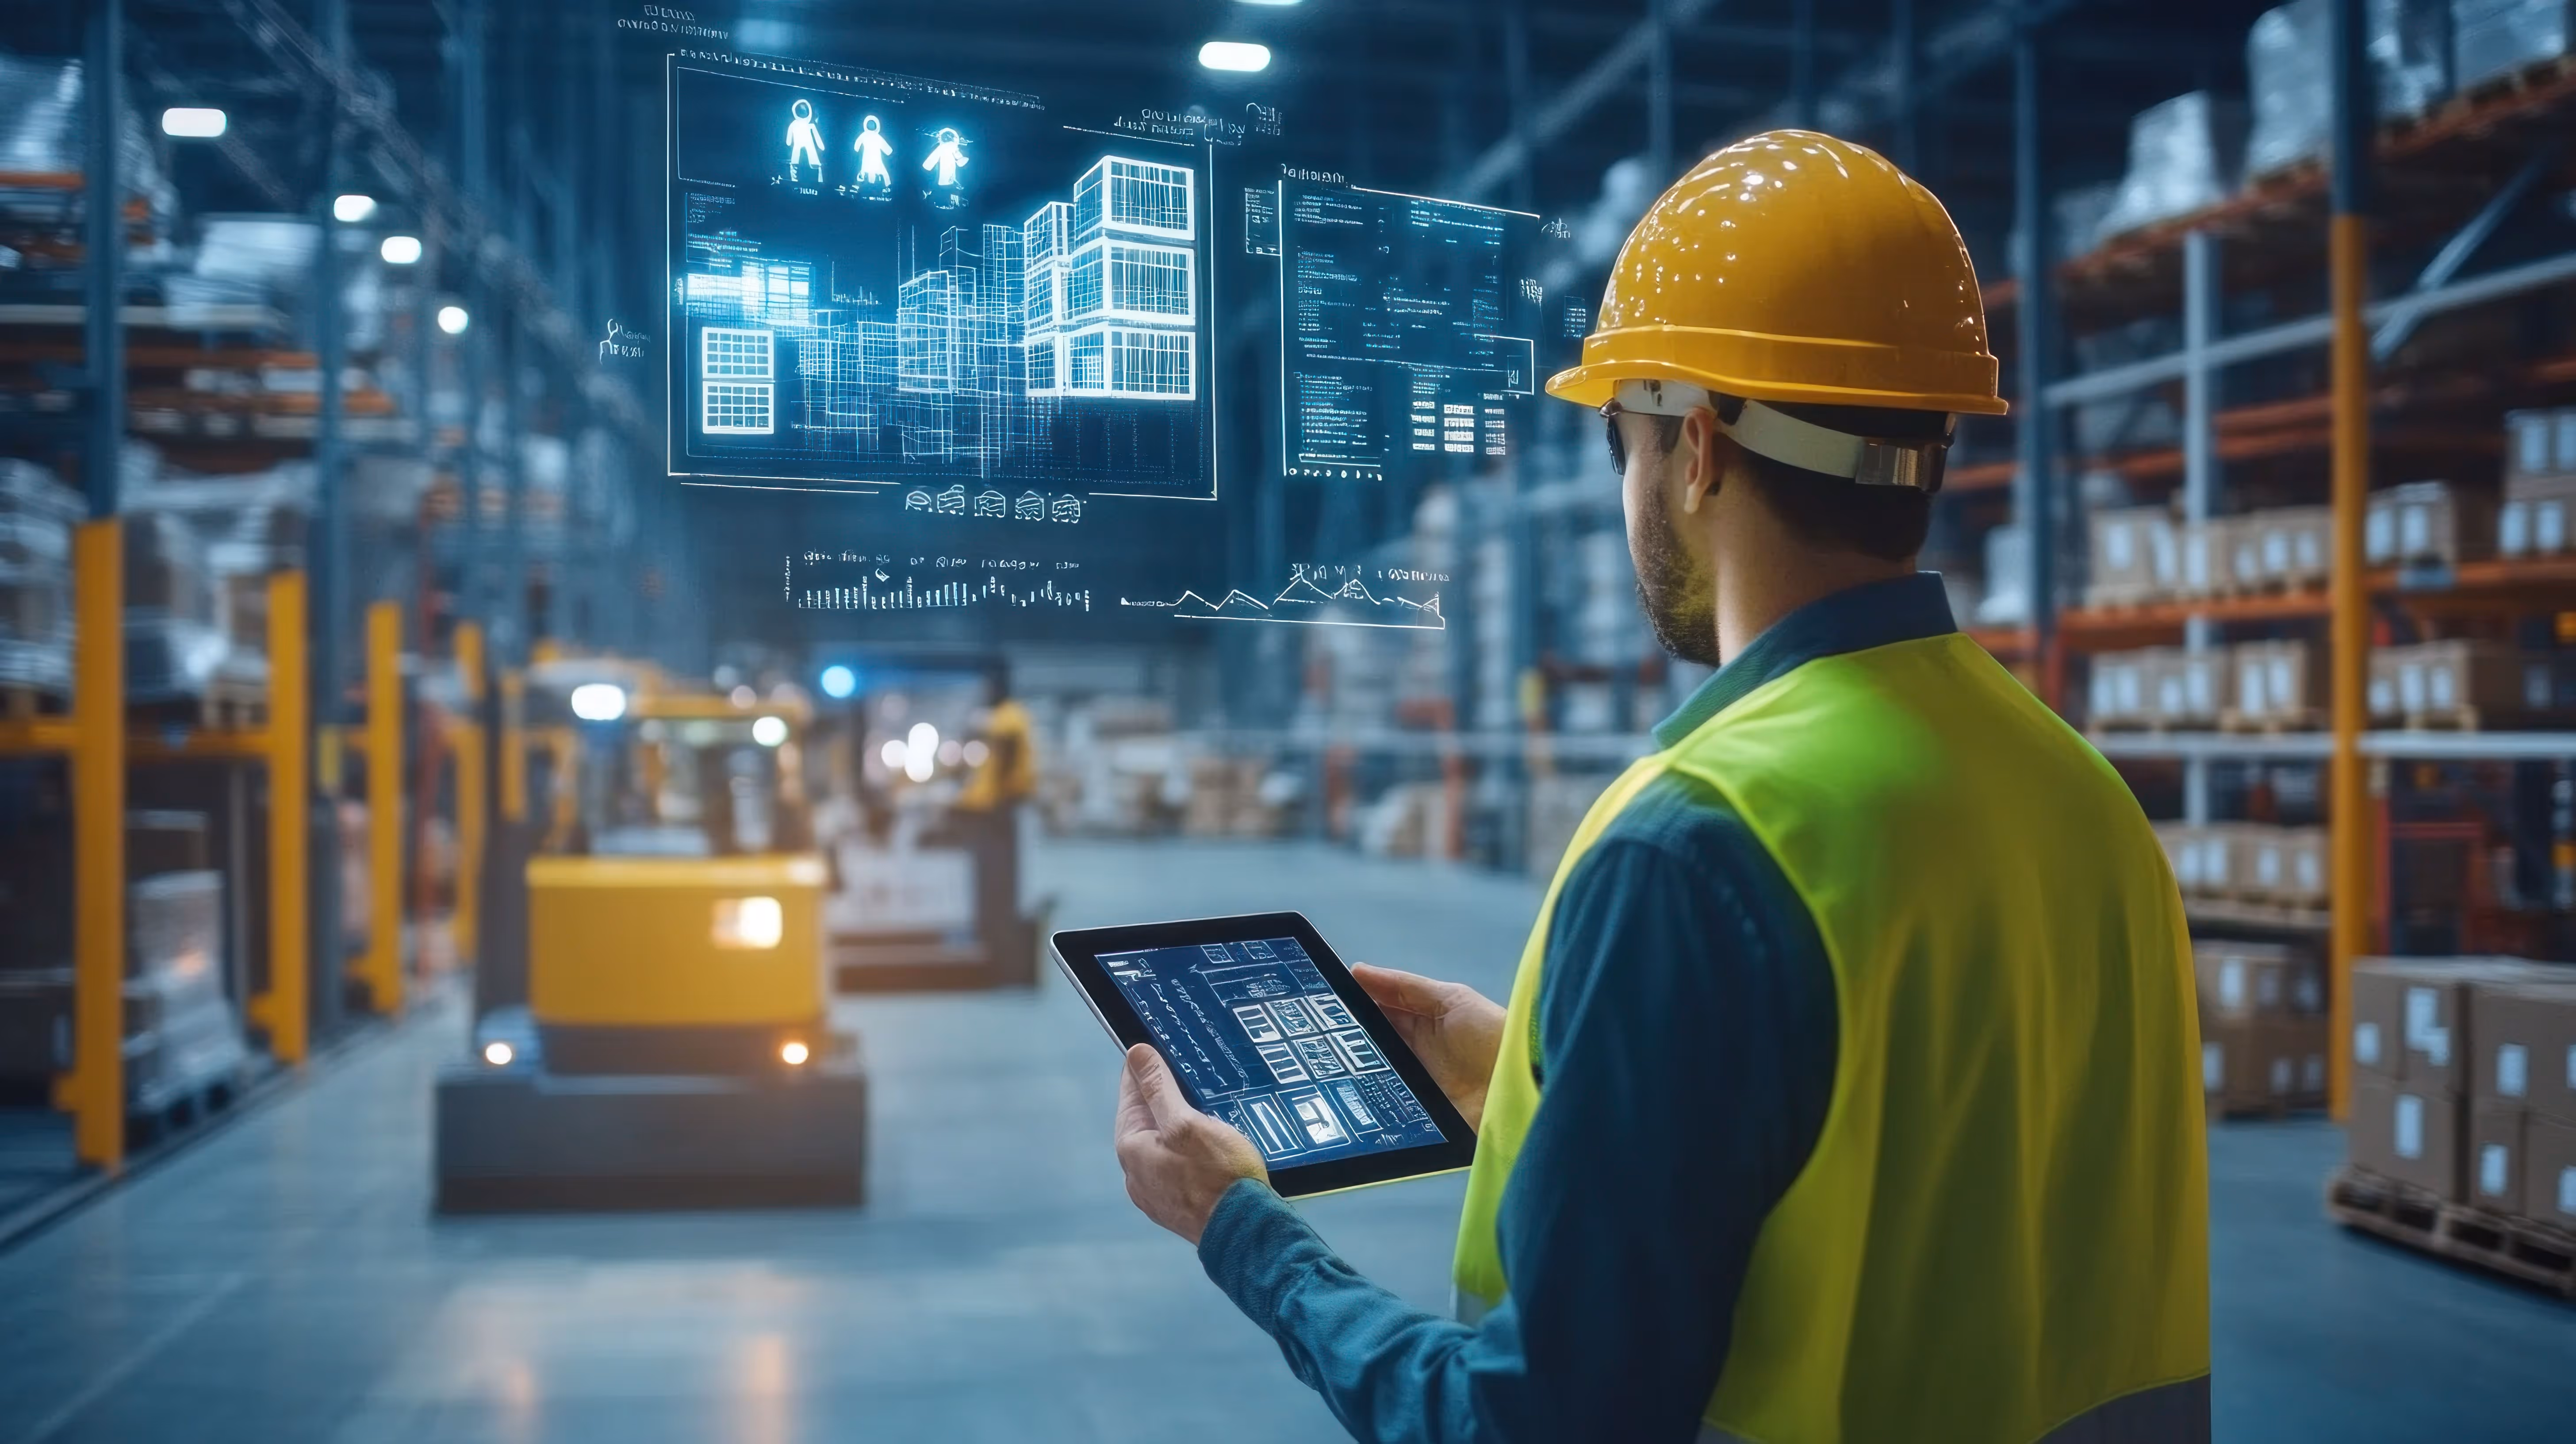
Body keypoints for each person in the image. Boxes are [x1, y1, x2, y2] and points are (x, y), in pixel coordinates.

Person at [1109, 130, 2210, 1443]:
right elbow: (1929, 1153)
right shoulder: (2080, 796)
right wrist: (1539, 1074)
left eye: (1621, 442)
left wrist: (1242, 1230)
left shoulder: (1699, 845)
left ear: (1695, 450)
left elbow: (1534, 1425)